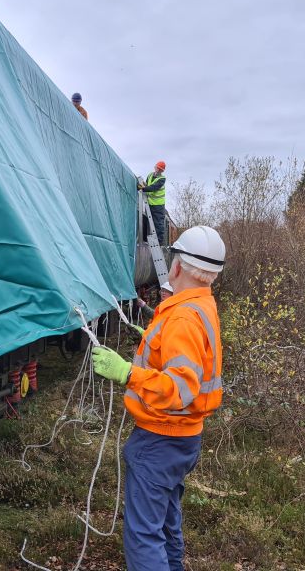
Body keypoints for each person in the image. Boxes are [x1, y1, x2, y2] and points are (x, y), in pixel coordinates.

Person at [92, 226, 226, 571]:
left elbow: (181, 389)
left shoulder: (182, 317)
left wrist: (127, 373)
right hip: (183, 438)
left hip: (161, 439)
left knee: (143, 535)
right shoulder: (201, 305)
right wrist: (153, 338)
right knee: (166, 521)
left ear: (177, 267)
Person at [141, 161, 167, 245]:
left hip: (158, 205)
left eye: (160, 169)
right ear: (155, 167)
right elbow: (147, 185)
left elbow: (153, 187)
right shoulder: (150, 175)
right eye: (157, 168)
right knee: (146, 221)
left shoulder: (162, 179)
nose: (157, 170)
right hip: (149, 203)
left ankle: (159, 242)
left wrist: (143, 188)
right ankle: (145, 239)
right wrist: (143, 185)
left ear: (162, 171)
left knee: (158, 223)